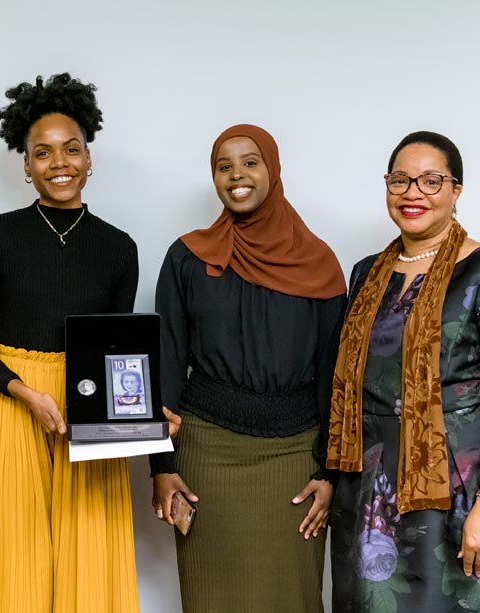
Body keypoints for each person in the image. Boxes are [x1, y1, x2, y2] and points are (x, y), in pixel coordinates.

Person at [327, 131, 480, 611]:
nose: (414, 193)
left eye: (432, 181)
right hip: (374, 495)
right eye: (401, 180)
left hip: (463, 490)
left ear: (457, 190)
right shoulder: (366, 274)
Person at [0, 73, 140, 613]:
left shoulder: (118, 247)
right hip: (17, 405)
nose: (58, 163)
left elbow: (115, 351)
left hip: (87, 409)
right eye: (43, 153)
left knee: (91, 550)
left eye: (71, 149)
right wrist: (24, 393)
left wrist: (143, 415)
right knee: (17, 555)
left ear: (89, 158)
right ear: (26, 164)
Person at [150, 124, 347, 612]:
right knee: (211, 599)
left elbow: (334, 378)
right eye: (224, 166)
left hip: (296, 459)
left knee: (292, 598)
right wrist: (162, 464)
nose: (236, 175)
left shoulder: (319, 264)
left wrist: (330, 472)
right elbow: (167, 363)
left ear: (273, 171)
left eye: (250, 162)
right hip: (205, 458)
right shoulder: (188, 258)